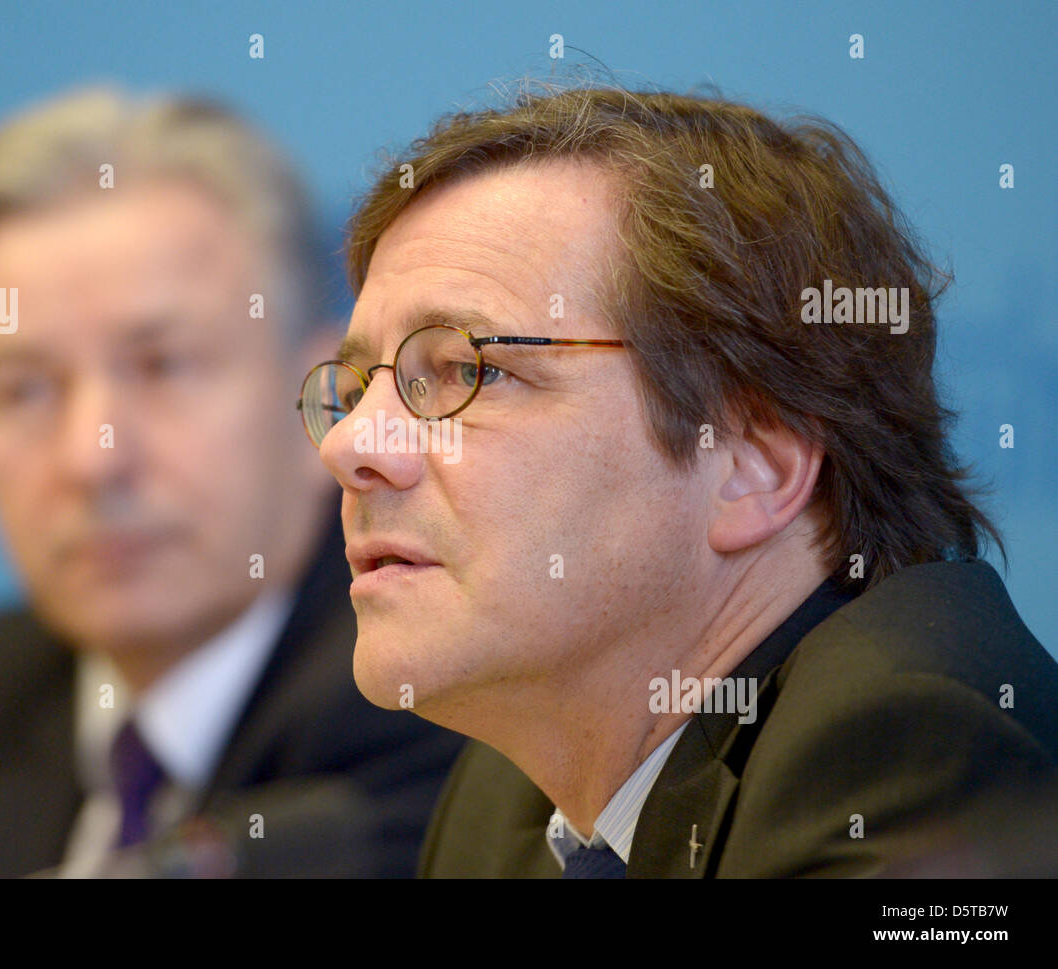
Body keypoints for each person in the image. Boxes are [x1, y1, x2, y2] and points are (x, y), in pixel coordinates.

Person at [298, 86, 1058, 877]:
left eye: (465, 369)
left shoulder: (911, 748)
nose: (352, 443)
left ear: (753, 464)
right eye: (355, 389)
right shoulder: (504, 802)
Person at [0, 87, 464, 877]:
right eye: (24, 389)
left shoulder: (423, 691)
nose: (94, 456)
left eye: (164, 366)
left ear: (325, 399)